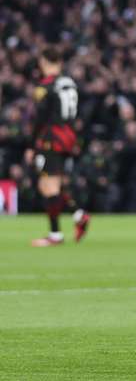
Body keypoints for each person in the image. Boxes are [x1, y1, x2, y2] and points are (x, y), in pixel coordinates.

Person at [27, 47, 90, 246]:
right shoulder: (70, 83)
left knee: (49, 184)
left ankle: (56, 235)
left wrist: (32, 144)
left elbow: (40, 118)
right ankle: (78, 215)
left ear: (44, 61)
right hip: (68, 137)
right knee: (51, 184)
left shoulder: (45, 86)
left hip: (51, 138)